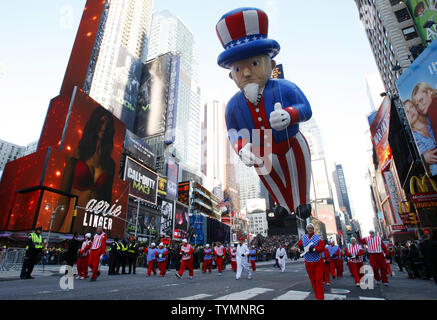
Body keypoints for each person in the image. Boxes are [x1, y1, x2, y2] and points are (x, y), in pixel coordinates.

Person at [216, 7, 312, 219]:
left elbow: (305, 108)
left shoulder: (285, 87)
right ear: (232, 76)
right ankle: (282, 203)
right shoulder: (233, 106)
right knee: (268, 174)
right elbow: (233, 132)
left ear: (271, 64)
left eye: (255, 63)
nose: (247, 72)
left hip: (291, 140)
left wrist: (290, 114)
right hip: (262, 147)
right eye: (239, 69)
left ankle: (303, 201)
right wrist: (241, 148)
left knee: (298, 170)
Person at [54, 107, 116, 234]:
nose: (103, 128)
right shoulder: (78, 153)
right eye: (101, 123)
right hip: (71, 224)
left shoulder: (110, 164)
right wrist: (52, 232)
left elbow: (107, 205)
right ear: (94, 124)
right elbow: (63, 198)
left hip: (95, 226)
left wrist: (106, 233)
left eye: (107, 125)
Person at [403, 99, 437, 176]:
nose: (411, 112)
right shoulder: (412, 138)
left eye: (411, 107)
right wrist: (423, 159)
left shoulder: (429, 118)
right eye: (407, 112)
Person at [297, 223, 326, 300]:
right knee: (313, 280)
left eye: (311, 228)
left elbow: (322, 247)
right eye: (308, 228)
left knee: (318, 280)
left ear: (313, 229)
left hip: (317, 262)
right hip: (308, 262)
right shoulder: (303, 237)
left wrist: (314, 248)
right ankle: (317, 295)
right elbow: (300, 244)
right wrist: (300, 246)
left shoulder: (317, 238)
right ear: (307, 229)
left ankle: (320, 297)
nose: (310, 229)